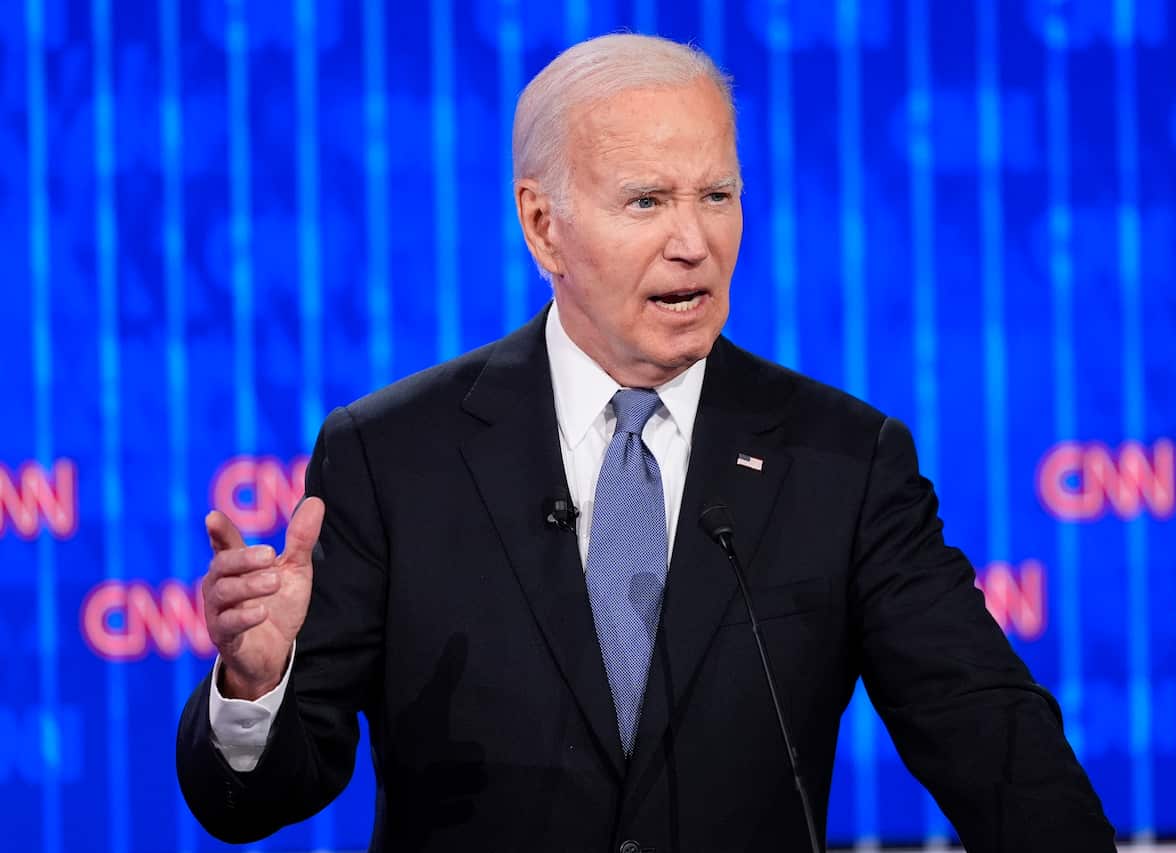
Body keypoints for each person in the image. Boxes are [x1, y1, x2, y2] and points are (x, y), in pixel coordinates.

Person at [176, 33, 1115, 853]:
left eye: (717, 194)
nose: (694, 241)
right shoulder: (393, 456)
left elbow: (992, 739)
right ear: (543, 224)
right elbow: (259, 799)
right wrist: (255, 689)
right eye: (647, 201)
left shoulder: (844, 460)